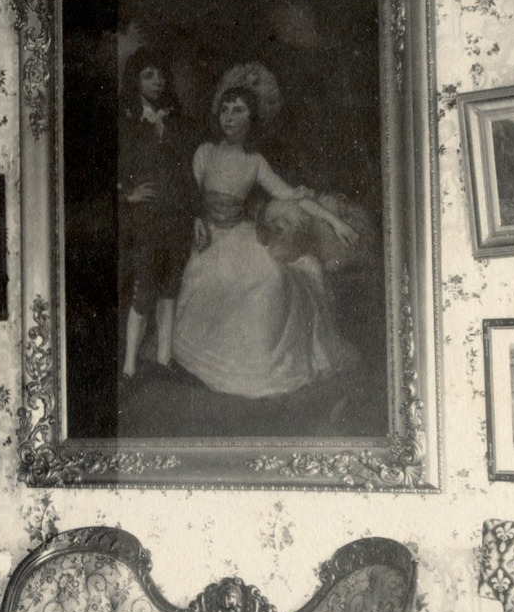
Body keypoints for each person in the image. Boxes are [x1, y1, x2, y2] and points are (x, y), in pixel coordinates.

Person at [170, 65, 361, 399]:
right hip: (207, 238)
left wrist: (335, 221)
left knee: (274, 279)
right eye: (225, 110)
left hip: (240, 236)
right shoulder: (205, 153)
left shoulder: (255, 161)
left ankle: (260, 365)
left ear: (252, 119)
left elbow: (291, 195)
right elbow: (188, 197)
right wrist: (196, 219)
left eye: (238, 111)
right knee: (207, 281)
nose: (229, 118)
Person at [115, 53, 191, 378]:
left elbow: (187, 171)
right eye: (148, 75)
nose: (157, 82)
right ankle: (130, 366)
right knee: (145, 289)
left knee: (171, 288)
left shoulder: (174, 121)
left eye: (160, 75)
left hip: (176, 216)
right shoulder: (127, 121)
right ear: (136, 81)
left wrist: (194, 214)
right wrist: (127, 194)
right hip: (145, 219)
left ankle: (164, 359)